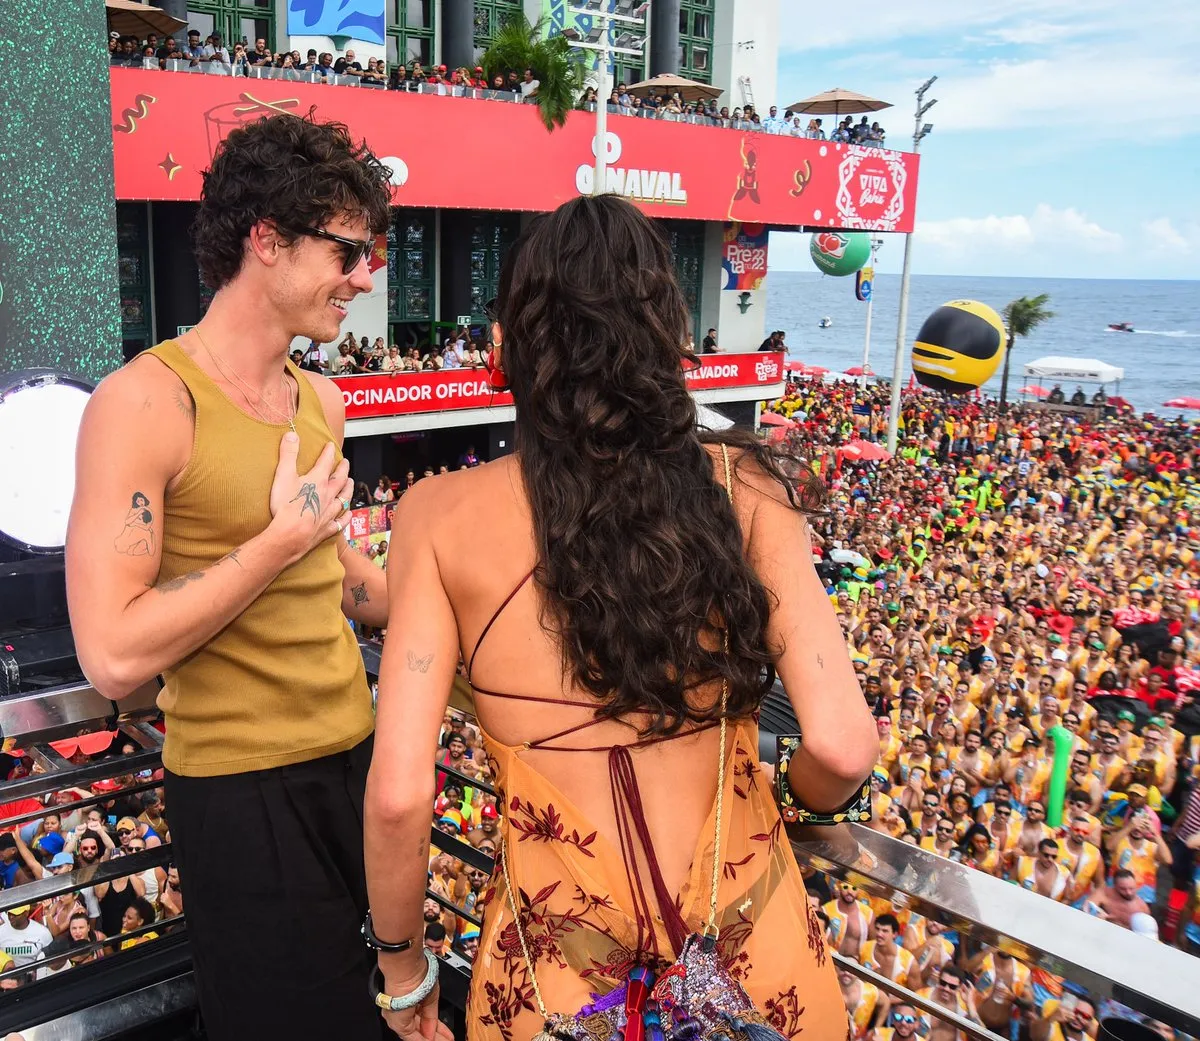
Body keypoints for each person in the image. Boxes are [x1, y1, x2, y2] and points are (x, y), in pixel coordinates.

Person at [363, 195, 876, 1038]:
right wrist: (787, 796)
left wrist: (403, 968)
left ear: (512, 347)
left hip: (561, 990)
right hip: (758, 973)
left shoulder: (436, 515)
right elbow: (841, 745)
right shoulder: (745, 488)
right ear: (666, 336)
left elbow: (396, 798)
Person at [65, 114, 395, 1041]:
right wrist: (273, 545)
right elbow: (114, 655)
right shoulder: (144, 401)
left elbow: (338, 576)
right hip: (242, 790)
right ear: (266, 239)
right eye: (348, 250)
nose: (365, 279)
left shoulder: (323, 398)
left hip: (355, 761)